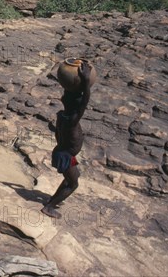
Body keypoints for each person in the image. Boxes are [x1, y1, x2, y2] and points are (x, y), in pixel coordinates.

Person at [41, 61, 92, 219]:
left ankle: (53, 200)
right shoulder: (72, 121)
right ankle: (48, 207)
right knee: (73, 183)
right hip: (65, 156)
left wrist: (76, 83)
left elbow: (71, 96)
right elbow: (84, 103)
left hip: (63, 152)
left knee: (71, 178)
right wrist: (86, 82)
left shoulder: (62, 115)